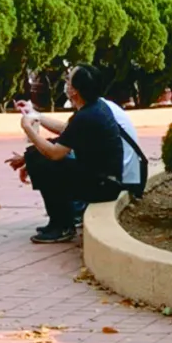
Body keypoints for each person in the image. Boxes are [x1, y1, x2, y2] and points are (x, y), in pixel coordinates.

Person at [7, 65, 125, 244]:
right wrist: (36, 116)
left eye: (69, 80)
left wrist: (28, 129)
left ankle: (62, 225)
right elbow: (67, 131)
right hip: (103, 178)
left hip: (103, 185)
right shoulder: (94, 107)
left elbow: (55, 153)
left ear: (75, 91)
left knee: (45, 163)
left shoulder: (87, 116)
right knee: (37, 156)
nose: (66, 82)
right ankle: (59, 221)